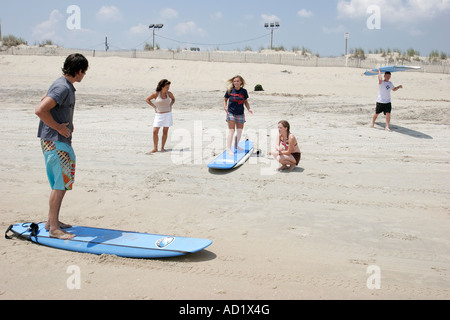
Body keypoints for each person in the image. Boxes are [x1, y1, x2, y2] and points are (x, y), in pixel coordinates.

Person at [35, 53, 89, 240]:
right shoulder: (63, 87)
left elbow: (45, 100)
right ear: (79, 71)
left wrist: (63, 120)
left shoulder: (61, 84)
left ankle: (52, 222)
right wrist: (58, 126)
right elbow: (40, 109)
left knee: (61, 183)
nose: (84, 76)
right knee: (60, 185)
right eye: (84, 72)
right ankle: (54, 229)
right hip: (56, 142)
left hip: (55, 141)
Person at [223, 75, 253, 154]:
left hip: (240, 113)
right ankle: (229, 149)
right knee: (231, 131)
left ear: (241, 82)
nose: (236, 82)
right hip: (231, 113)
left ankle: (236, 145)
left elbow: (246, 102)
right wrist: (225, 106)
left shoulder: (244, 91)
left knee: (239, 131)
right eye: (234, 81)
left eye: (237, 81)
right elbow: (225, 99)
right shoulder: (230, 90)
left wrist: (249, 109)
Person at [146, 79, 175, 153]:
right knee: (155, 131)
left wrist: (170, 105)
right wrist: (154, 107)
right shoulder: (156, 94)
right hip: (159, 115)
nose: (168, 88)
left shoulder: (169, 94)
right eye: (167, 87)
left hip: (168, 114)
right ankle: (155, 148)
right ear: (162, 87)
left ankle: (162, 147)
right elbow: (147, 99)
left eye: (168, 87)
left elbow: (173, 99)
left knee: (165, 132)